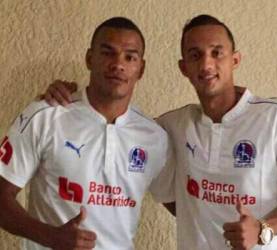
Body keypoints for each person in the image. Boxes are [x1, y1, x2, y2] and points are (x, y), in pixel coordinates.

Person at [44, 14, 277, 250]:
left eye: (216, 52)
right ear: (183, 67)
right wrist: (65, 98)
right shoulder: (170, 127)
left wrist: (263, 229)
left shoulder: (275, 117)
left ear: (235, 59)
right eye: (195, 55)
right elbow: (118, 126)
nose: (207, 64)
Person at [0, 17, 172, 250]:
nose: (118, 64)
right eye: (108, 53)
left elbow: (183, 203)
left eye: (129, 57)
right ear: (90, 58)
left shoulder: (154, 137)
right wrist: (50, 237)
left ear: (141, 68)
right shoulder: (45, 116)